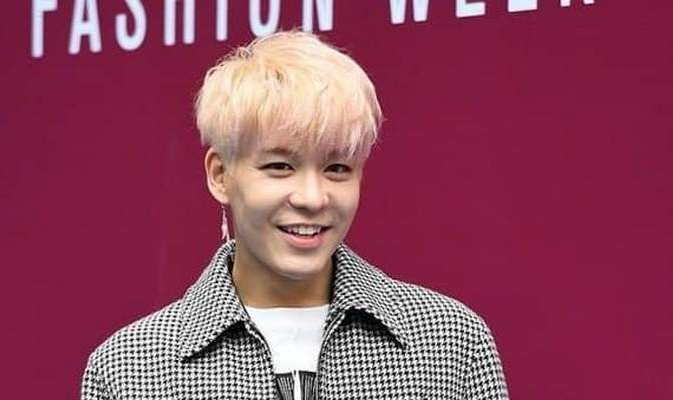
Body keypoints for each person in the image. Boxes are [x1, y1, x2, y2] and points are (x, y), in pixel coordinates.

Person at [81, 31, 509, 400]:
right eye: (280, 166)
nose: (312, 197)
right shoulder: (128, 370)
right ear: (220, 175)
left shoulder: (450, 343)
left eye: (336, 168)